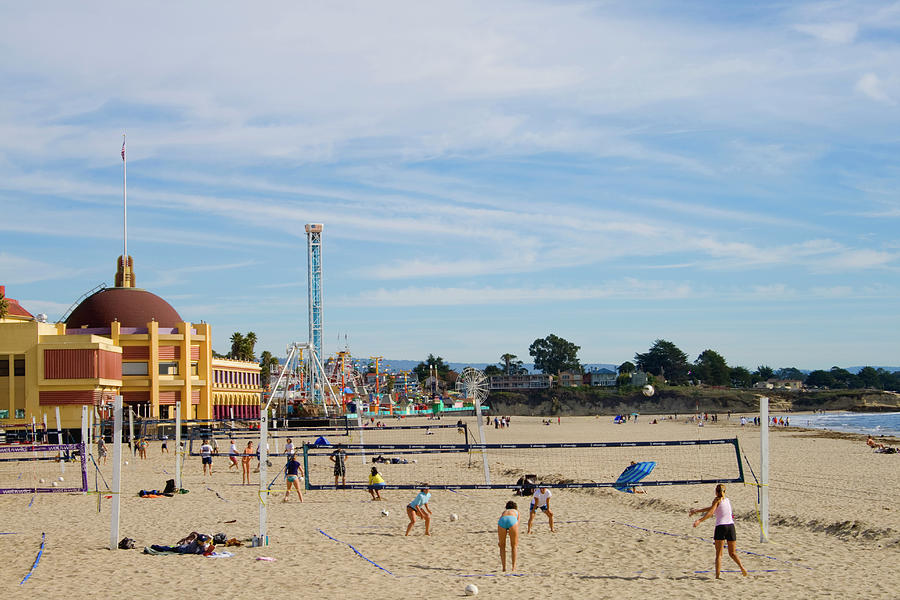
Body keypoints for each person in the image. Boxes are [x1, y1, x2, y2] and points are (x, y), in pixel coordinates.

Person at [689, 484, 748, 579]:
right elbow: (713, 508)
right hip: (731, 527)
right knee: (732, 553)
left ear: (716, 492)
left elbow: (711, 512)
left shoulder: (716, 500)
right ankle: (742, 568)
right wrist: (697, 510)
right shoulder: (727, 500)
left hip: (721, 527)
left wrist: (699, 520)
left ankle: (717, 576)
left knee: (719, 554)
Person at [497, 500, 519, 572]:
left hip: (502, 520)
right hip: (512, 520)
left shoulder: (504, 512)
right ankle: (513, 567)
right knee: (514, 545)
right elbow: (517, 522)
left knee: (502, 545)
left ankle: (504, 567)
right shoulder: (516, 511)